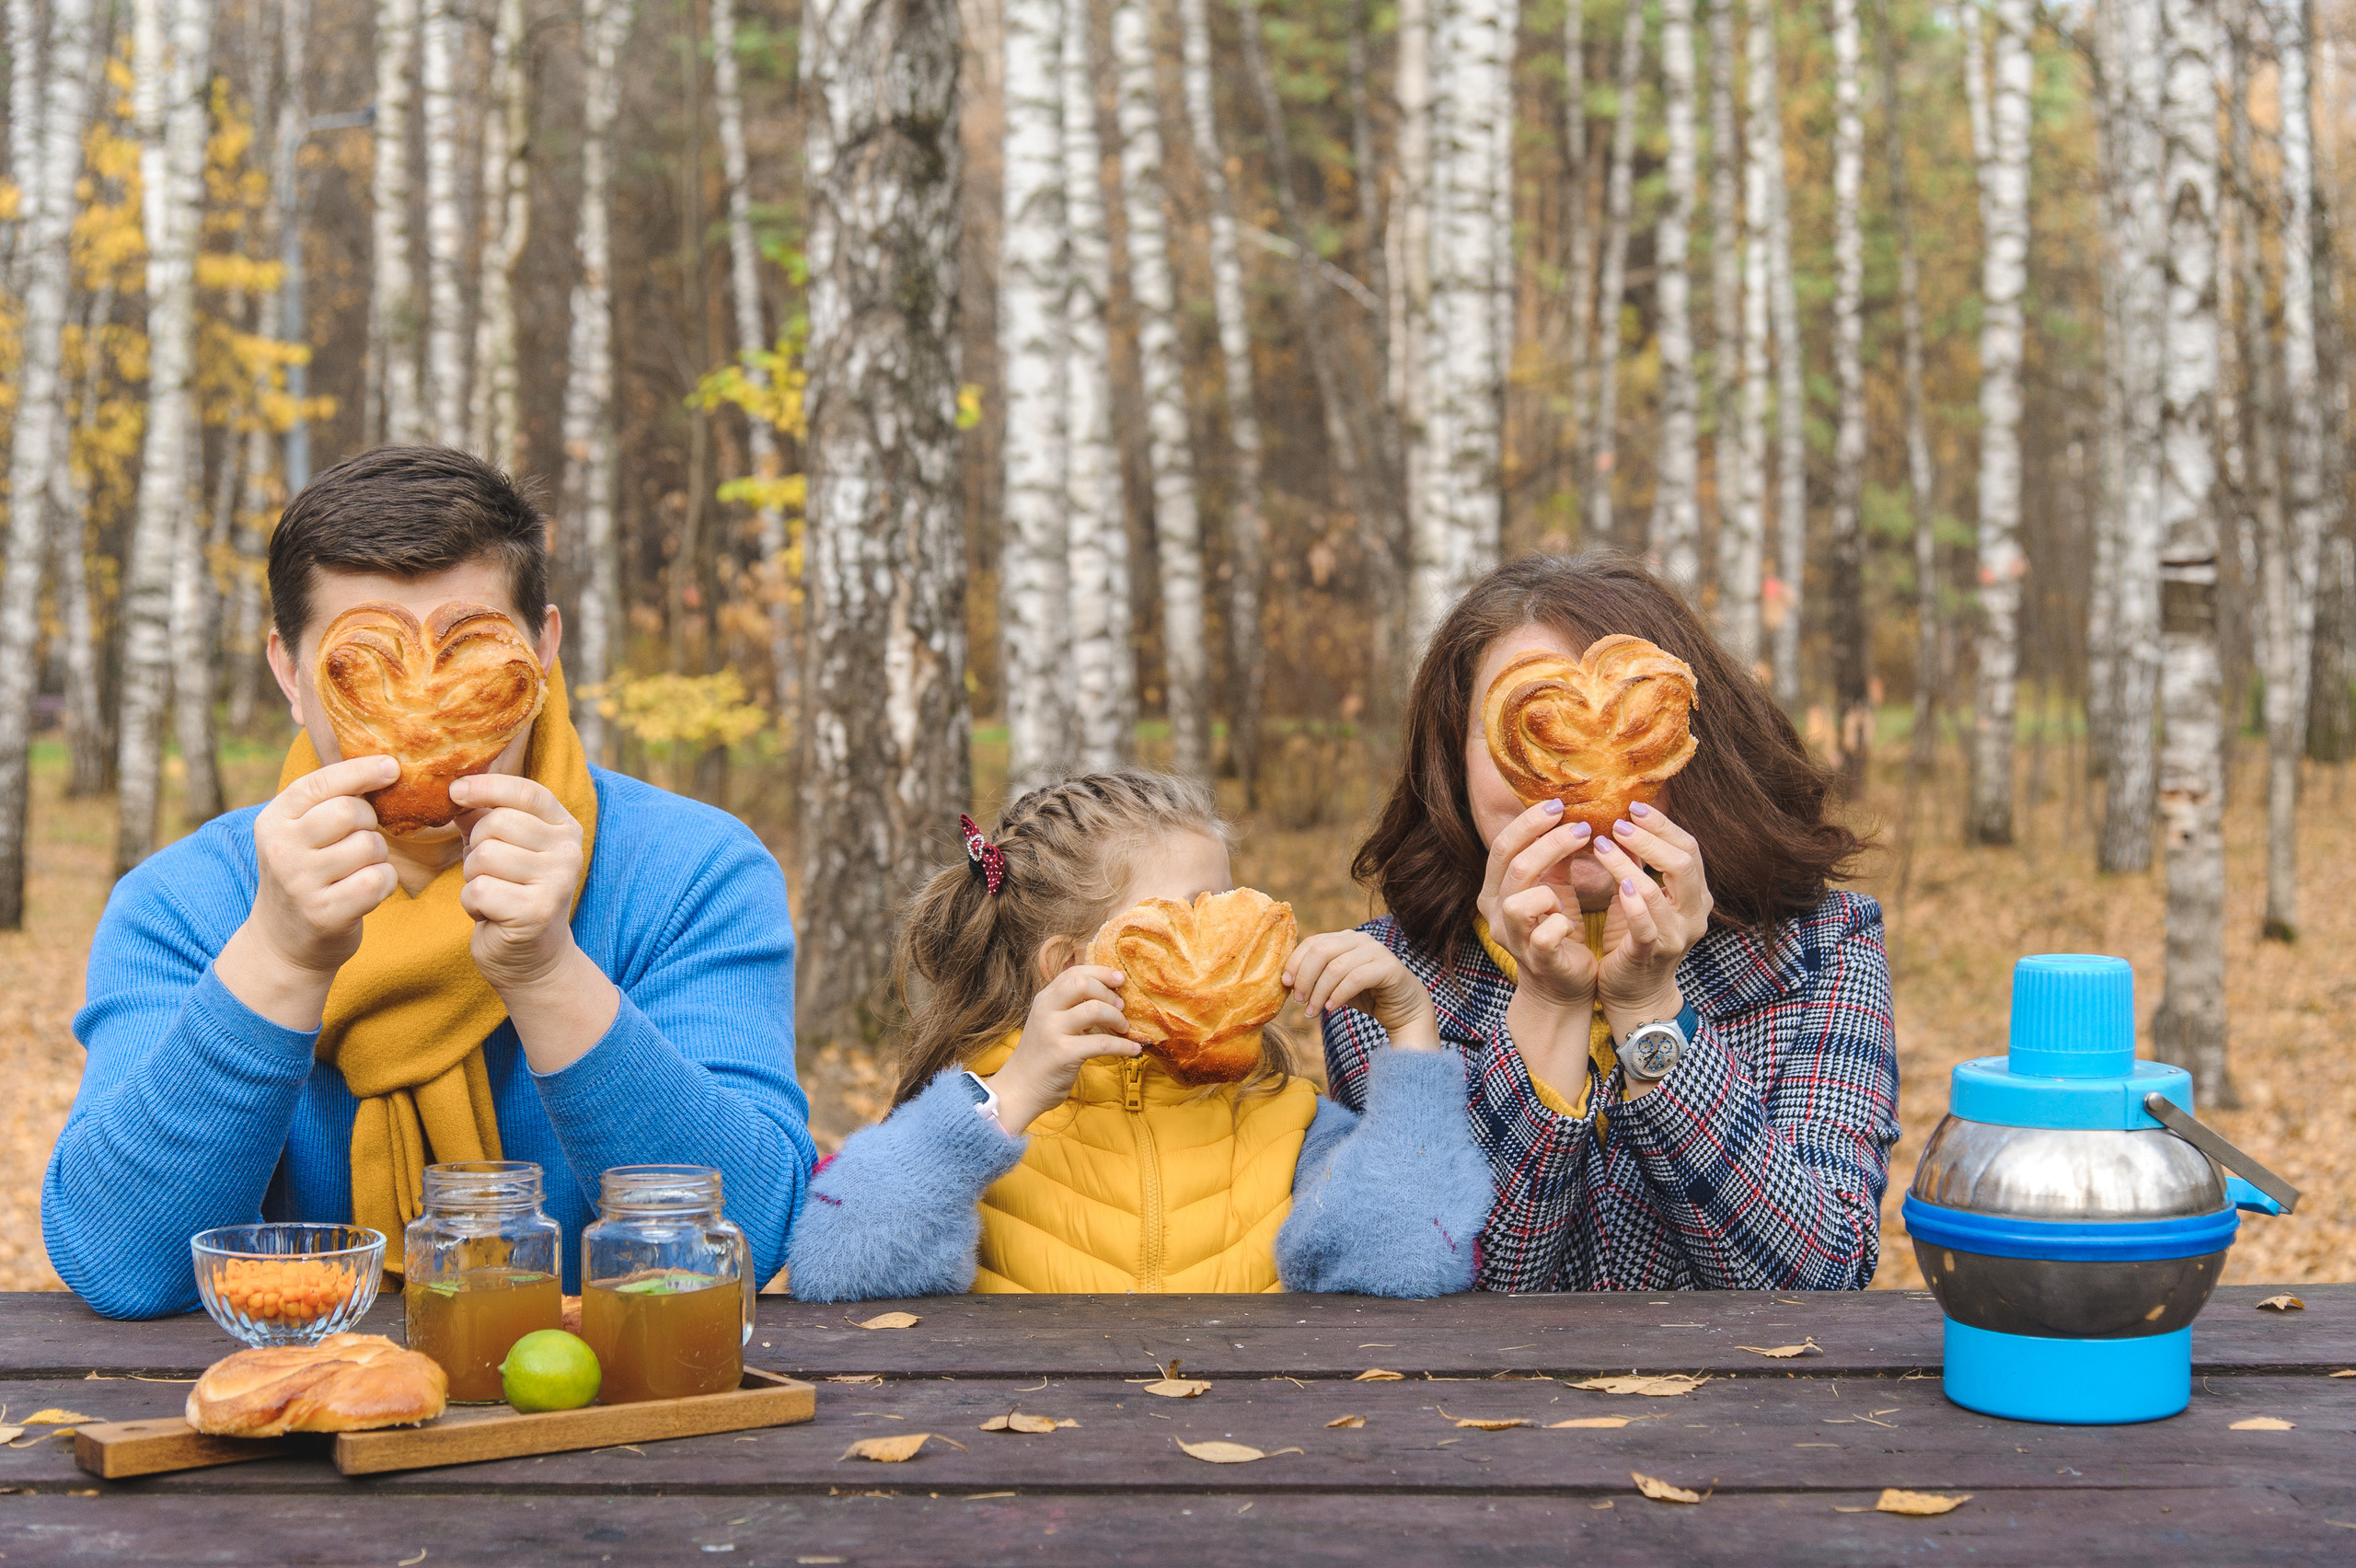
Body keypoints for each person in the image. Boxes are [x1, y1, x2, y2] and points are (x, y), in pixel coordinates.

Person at [44, 447, 814, 1319]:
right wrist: (280, 959)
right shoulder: (182, 904)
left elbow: (748, 1233)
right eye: (365, 669)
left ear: (545, 652)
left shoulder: (693, 872)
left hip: (598, 1416)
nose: (420, 714)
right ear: (290, 674)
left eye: (468, 659)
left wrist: (547, 973)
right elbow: (122, 1263)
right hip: (297, 1420)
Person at [1327, 552, 1899, 1293]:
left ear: (1691, 750)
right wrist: (1549, 1004)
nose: (1570, 783)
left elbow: (1818, 1280)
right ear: (1453, 761)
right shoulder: (1388, 988)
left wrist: (1648, 1010)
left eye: (1626, 730)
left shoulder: (1821, 950)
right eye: (1532, 731)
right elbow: (1454, 1298)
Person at [785, 772, 1490, 1299]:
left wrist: (1412, 1034)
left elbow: (1409, 1265)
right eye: (1193, 916)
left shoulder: (1285, 1120)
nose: (1235, 934)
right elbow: (834, 1267)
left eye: (1230, 904)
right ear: (1070, 965)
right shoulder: (977, 1120)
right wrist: (1010, 1098)